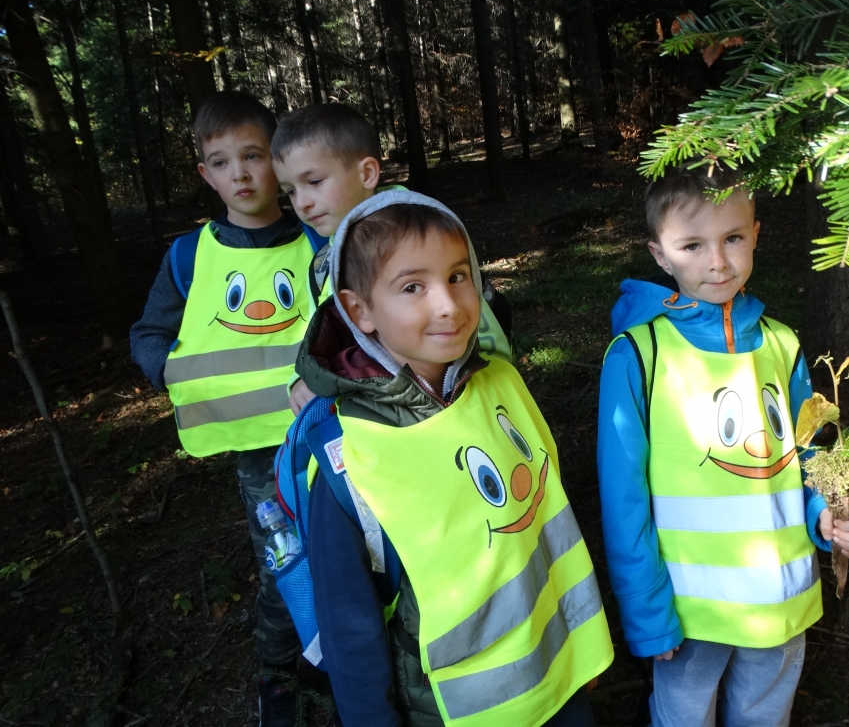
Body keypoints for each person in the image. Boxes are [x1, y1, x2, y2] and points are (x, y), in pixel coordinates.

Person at [297, 189, 614, 726]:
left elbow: (546, 522)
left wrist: (576, 646)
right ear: (358, 310)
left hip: (559, 672)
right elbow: (349, 626)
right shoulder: (350, 457)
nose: (447, 304)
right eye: (413, 287)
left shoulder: (502, 383)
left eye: (458, 276)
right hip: (456, 710)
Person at [597, 162, 849, 727]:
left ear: (756, 235)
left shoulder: (782, 343)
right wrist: (647, 612)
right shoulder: (638, 355)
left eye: (733, 239)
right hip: (690, 608)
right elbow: (623, 499)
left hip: (780, 594)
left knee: (764, 714)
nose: (717, 262)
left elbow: (811, 452)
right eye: (692, 245)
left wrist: (827, 512)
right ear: (659, 255)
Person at [130, 91, 319, 727]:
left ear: (279, 159)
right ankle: (278, 677)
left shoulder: (320, 236)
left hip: (338, 433)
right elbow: (150, 332)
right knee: (284, 563)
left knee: (357, 549)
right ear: (205, 173)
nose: (240, 174)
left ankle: (353, 663)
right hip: (258, 452)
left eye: (254, 156)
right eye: (221, 161)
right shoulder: (190, 256)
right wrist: (173, 374)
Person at [269, 103, 512, 415]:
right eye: (290, 191)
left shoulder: (422, 235)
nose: (302, 203)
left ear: (367, 173)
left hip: (456, 408)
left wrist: (494, 385)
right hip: (382, 417)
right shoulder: (322, 266)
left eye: (314, 182)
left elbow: (481, 333)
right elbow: (327, 338)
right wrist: (306, 377)